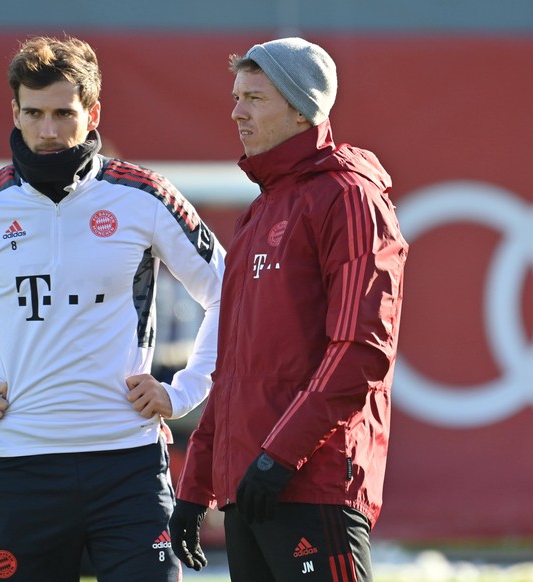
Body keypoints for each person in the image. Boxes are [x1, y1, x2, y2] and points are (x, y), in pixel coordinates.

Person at [0, 35, 225, 582]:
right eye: (35, 113)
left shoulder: (145, 196)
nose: (48, 131)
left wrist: (185, 390)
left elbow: (230, 292)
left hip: (129, 463)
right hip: (22, 467)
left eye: (64, 114)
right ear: (15, 112)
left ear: (92, 113)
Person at [169, 37, 408, 582]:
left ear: (303, 108)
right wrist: (196, 487)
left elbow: (360, 352)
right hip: (249, 490)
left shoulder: (350, 198)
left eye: (254, 97)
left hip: (312, 483)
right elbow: (230, 372)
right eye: (236, 96)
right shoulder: (259, 211)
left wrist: (278, 457)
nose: (236, 111)